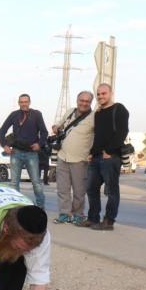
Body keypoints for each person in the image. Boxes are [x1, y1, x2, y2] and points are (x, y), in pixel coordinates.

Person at [78, 83, 129, 231]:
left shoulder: (119, 109)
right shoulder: (98, 113)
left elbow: (122, 132)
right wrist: (92, 153)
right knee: (91, 188)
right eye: (98, 94)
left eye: (103, 93)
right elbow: (98, 136)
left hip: (111, 158)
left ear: (111, 93)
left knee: (112, 191)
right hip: (96, 157)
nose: (100, 96)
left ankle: (108, 221)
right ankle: (93, 218)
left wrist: (109, 151)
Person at [0, 94, 49, 208]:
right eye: (21, 102)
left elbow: (44, 132)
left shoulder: (36, 114)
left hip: (31, 153)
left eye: (26, 101)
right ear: (18, 103)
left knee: (36, 183)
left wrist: (39, 144)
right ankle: (15, 208)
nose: (24, 104)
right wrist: (4, 145)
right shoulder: (14, 115)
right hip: (16, 153)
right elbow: (2, 130)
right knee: (14, 183)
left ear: (29, 102)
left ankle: (40, 208)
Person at [52, 91, 94, 225]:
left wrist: (94, 152)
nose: (84, 103)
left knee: (79, 190)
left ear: (90, 103)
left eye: (87, 101)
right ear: (77, 100)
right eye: (82, 100)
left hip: (80, 159)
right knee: (62, 189)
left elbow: (99, 135)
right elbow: (59, 124)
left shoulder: (93, 117)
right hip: (63, 156)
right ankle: (65, 214)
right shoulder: (70, 111)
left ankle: (78, 215)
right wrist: (56, 127)